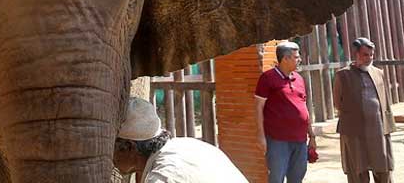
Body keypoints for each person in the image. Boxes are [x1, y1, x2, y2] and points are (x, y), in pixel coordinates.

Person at [113, 97, 247, 182]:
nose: (111, 157)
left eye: (112, 146)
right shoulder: (190, 145)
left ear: (130, 147)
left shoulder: (162, 177)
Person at [334, 37, 396, 183]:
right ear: (356, 54)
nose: (369, 58)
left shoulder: (378, 73)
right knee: (358, 170)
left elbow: (385, 101)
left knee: (383, 168)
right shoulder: (343, 75)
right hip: (355, 131)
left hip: (378, 129)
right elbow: (338, 103)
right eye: (365, 55)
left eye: (371, 55)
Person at [254, 41, 316, 183]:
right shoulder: (267, 78)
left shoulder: (299, 79)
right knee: (276, 178)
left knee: (297, 178)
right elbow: (258, 107)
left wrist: (311, 135)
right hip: (277, 141)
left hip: (300, 140)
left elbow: (304, 107)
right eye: (296, 57)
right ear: (285, 59)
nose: (299, 59)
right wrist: (261, 136)